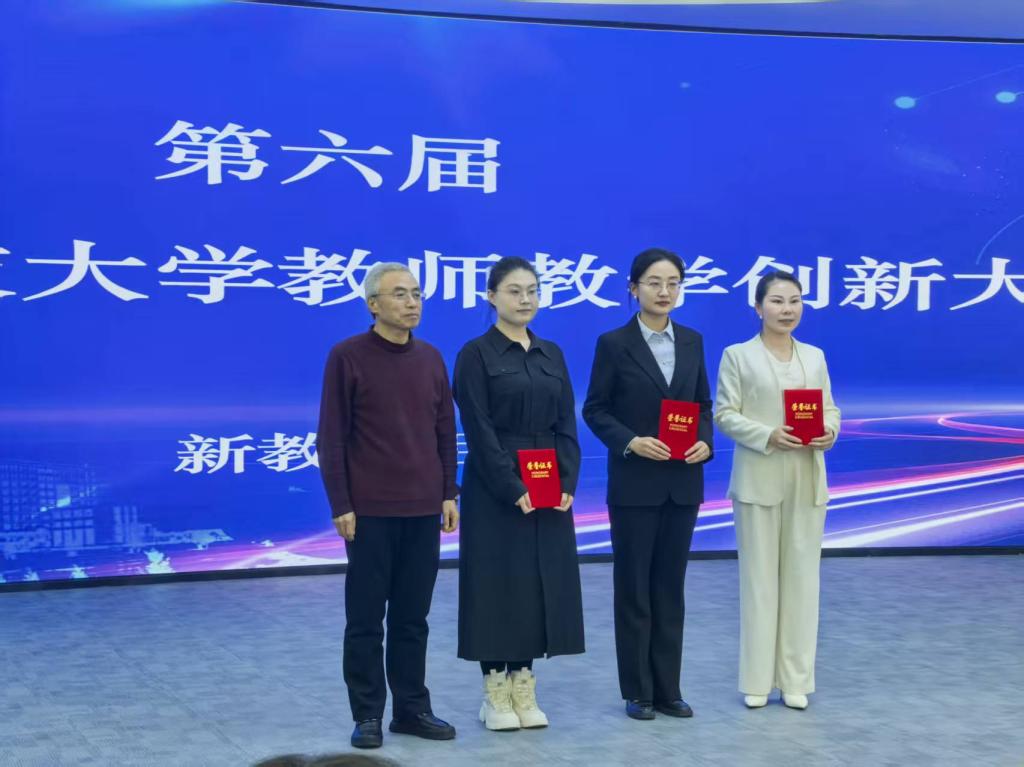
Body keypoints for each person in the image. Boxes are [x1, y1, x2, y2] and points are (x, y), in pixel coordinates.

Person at [317, 262, 460, 749]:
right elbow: (331, 435)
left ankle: (412, 709)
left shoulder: (431, 358)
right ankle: (368, 714)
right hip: (369, 512)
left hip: (423, 509)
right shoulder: (347, 356)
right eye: (400, 294)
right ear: (373, 304)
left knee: (412, 619)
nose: (412, 302)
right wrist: (341, 502)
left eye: (416, 293)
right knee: (364, 620)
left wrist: (449, 492)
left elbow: (445, 430)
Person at [453, 256, 585, 732]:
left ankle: (524, 683)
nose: (525, 299)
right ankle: (494, 690)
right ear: (492, 297)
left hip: (548, 483)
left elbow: (566, 422)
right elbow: (479, 429)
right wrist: (511, 486)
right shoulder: (475, 354)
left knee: (536, 583)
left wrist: (567, 482)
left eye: (532, 290)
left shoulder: (552, 353)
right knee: (496, 584)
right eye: (514, 291)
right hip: (495, 487)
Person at [582, 248, 713, 721]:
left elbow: (703, 405)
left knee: (670, 588)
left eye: (673, 283)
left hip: (682, 483)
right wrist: (630, 441)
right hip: (635, 484)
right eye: (654, 282)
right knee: (634, 587)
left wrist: (705, 442)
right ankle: (637, 690)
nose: (664, 291)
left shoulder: (693, 341)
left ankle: (668, 689)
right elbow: (595, 409)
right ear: (633, 288)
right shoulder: (614, 343)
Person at [714, 270, 840, 711]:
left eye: (795, 301)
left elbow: (830, 409)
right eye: (777, 301)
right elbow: (725, 414)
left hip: (807, 477)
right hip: (759, 477)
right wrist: (767, 434)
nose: (787, 310)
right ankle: (756, 679)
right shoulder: (738, 355)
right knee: (759, 581)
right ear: (758, 307)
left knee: (803, 581)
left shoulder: (815, 357)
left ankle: (795, 680)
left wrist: (829, 431)